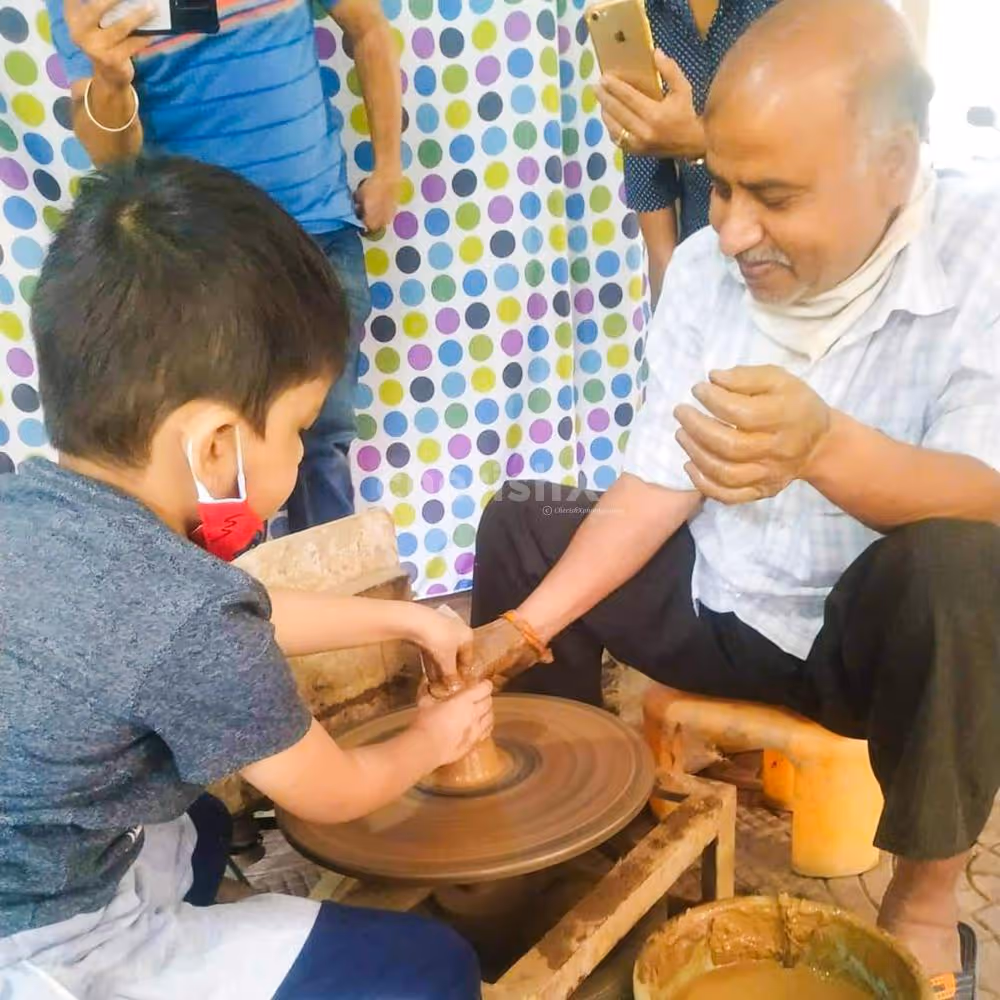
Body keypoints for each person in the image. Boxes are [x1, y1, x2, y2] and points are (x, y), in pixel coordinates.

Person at [471, 0, 1000, 995]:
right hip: (717, 598)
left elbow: (983, 492)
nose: (731, 227)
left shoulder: (984, 251)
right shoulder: (709, 269)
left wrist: (825, 448)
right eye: (717, 185)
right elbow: (655, 484)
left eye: (773, 196)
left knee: (965, 569)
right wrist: (519, 627)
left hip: (863, 649)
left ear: (892, 162)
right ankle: (560, 838)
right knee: (523, 523)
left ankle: (925, 909)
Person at [0, 157, 485, 999]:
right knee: (431, 969)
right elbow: (333, 792)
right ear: (216, 445)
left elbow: (229, 618)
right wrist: (437, 739)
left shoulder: (35, 503)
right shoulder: (181, 612)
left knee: (203, 821)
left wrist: (410, 623)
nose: (303, 453)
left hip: (31, 851)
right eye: (299, 427)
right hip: (45, 942)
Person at [45, 0, 403, 533]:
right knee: (217, 468)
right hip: (202, 265)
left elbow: (368, 26)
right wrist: (110, 76)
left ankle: (337, 605)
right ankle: (234, 610)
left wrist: (388, 168)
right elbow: (116, 161)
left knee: (322, 439)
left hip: (319, 235)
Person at [595, 0, 777, 305]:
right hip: (703, 283)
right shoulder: (643, 11)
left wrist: (700, 142)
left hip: (805, 276)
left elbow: (827, 146)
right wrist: (671, 313)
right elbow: (650, 181)